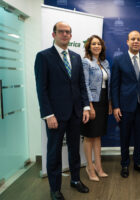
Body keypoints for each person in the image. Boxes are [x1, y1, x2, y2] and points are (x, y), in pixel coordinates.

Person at [34, 22, 90, 200]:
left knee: (75, 149)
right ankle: (55, 188)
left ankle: (75, 180)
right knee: (54, 152)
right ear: (54, 34)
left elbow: (81, 85)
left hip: (75, 113)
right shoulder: (43, 57)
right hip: (55, 116)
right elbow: (41, 89)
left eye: (68, 32)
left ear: (71, 36)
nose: (65, 35)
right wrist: (48, 114)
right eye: (61, 32)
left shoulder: (75, 57)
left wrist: (86, 107)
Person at [111, 30, 140, 178]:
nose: (136, 41)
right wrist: (116, 106)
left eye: (138, 39)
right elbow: (115, 85)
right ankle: (124, 164)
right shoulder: (119, 60)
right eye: (133, 39)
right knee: (124, 137)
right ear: (127, 42)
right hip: (125, 106)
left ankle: (138, 163)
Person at [81, 35, 111, 182]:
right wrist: (89, 106)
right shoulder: (86, 62)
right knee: (89, 136)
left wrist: (110, 103)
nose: (96, 46)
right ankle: (90, 167)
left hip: (104, 102)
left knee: (98, 136)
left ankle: (99, 167)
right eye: (93, 44)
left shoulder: (105, 62)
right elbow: (85, 84)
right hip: (93, 102)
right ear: (89, 46)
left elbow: (108, 84)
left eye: (98, 44)